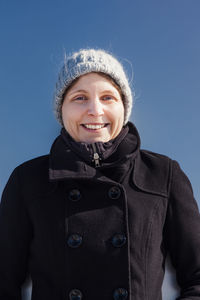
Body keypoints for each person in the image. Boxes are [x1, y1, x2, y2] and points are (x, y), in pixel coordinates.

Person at [0, 48, 200, 300]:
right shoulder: (27, 180)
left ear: (123, 107)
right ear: (61, 110)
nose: (95, 110)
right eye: (79, 98)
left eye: (107, 97)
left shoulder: (163, 174)